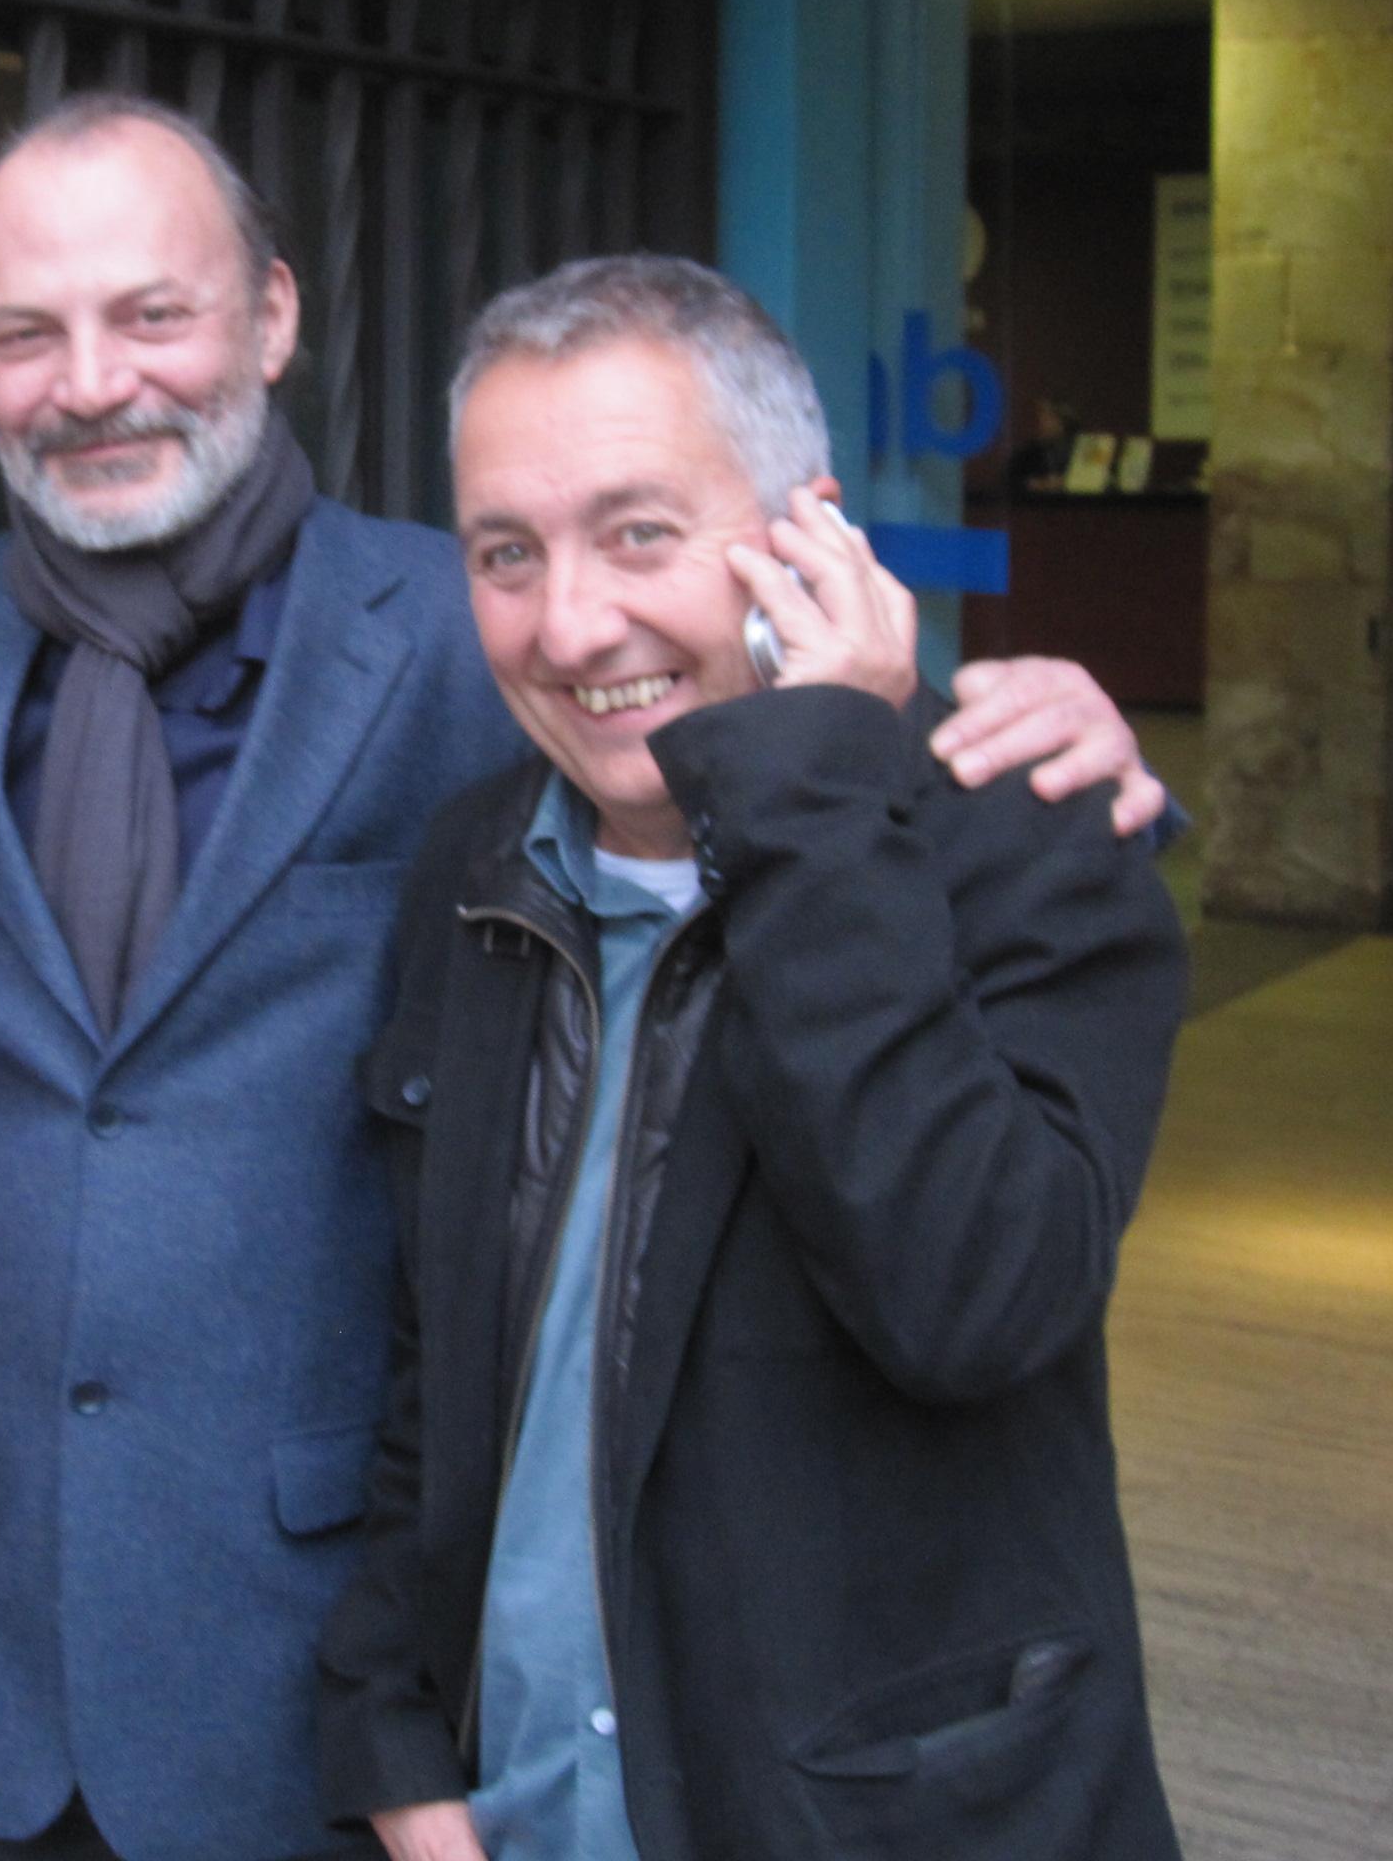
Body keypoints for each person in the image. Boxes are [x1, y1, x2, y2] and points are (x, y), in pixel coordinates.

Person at [0, 93, 1170, 1861]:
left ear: (278, 317)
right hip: (110, 1686)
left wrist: (1005, 733)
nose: (91, 379)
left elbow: (972, 1253)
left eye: (154, 312)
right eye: (25, 331)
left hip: (782, 1766)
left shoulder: (476, 650)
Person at [318, 255, 1187, 1861]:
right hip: (518, 1811)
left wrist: (811, 798)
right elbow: (437, 1368)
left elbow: (970, 1298)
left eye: (640, 531)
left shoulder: (1035, 847)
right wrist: (394, 1739)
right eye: (507, 553)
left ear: (813, 537)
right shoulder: (477, 863)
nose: (573, 623)